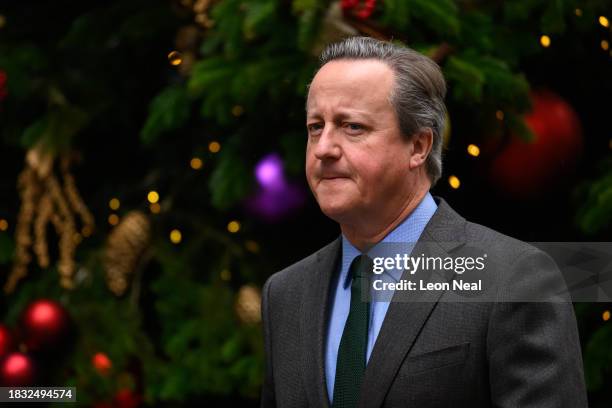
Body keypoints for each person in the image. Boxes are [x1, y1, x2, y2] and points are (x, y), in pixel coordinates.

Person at [260, 36, 587, 408]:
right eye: (316, 126)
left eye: (352, 127)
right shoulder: (285, 295)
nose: (323, 148)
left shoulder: (511, 278)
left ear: (418, 146)